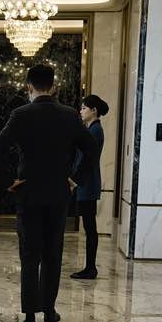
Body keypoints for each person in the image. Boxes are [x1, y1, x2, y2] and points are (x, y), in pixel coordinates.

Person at [0, 62, 100, 322]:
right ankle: (49, 311)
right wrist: (75, 179)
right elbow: (90, 149)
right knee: (53, 254)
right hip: (58, 195)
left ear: (29, 85)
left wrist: (9, 181)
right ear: (53, 86)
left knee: (30, 256)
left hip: (28, 194)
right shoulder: (69, 115)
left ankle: (29, 319)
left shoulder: (21, 114)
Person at [71, 94, 109, 280]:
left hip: (87, 183)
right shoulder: (91, 129)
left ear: (94, 111)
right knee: (89, 226)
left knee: (90, 227)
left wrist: (74, 180)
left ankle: (91, 268)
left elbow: (87, 159)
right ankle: (89, 267)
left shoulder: (95, 130)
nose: (81, 111)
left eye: (84, 108)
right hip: (86, 182)